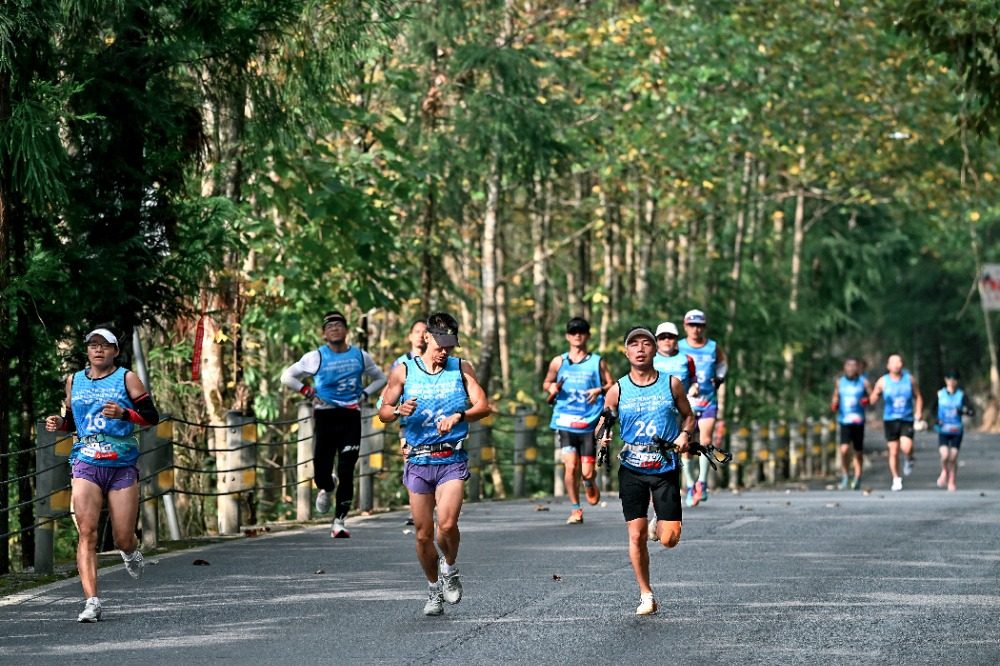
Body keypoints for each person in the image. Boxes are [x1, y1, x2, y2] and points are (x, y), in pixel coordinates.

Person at [378, 312, 491, 617]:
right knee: (423, 534)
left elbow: (483, 406)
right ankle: (433, 589)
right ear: (426, 337)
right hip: (418, 459)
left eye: (450, 346)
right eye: (441, 346)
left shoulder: (461, 368)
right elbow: (383, 411)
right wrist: (398, 410)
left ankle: (450, 568)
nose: (445, 352)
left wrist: (460, 416)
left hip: (450, 458)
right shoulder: (404, 370)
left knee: (448, 524)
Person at [44, 327, 160, 623]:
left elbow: (151, 418)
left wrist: (125, 414)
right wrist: (59, 423)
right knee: (87, 532)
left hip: (121, 464)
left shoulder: (127, 378)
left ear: (115, 351)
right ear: (87, 350)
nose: (98, 350)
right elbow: (72, 422)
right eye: (93, 345)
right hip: (85, 462)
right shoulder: (74, 380)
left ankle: (130, 552)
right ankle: (92, 601)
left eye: (105, 345)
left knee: (123, 537)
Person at [594, 325, 696, 616]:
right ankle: (646, 594)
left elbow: (689, 416)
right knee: (636, 535)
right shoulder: (617, 389)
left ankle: (659, 522)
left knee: (669, 539)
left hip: (664, 466)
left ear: (654, 350)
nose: (640, 349)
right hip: (632, 467)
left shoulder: (672, 384)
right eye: (633, 344)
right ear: (626, 352)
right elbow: (602, 423)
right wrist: (603, 436)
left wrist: (684, 435)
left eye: (646, 343)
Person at [281, 310, 386, 537]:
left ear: (346, 330)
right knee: (321, 471)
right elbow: (287, 377)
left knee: (347, 469)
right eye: (329, 326)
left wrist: (365, 394)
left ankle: (339, 521)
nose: (335, 328)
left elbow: (381, 378)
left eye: (339, 325)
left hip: (350, 417)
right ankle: (327, 486)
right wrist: (307, 391)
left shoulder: (360, 356)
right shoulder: (315, 357)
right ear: (324, 334)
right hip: (325, 417)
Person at [541, 317, 615, 524]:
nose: (577, 335)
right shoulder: (559, 361)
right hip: (565, 421)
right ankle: (575, 509)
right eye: (573, 332)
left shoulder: (597, 362)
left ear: (588, 336)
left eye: (581, 332)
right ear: (567, 336)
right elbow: (547, 382)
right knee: (570, 466)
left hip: (588, 422)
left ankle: (589, 482)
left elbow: (612, 385)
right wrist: (551, 387)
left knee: (586, 472)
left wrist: (599, 390)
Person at [677, 309, 727, 507]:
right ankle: (690, 485)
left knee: (705, 440)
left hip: (707, 400)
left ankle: (702, 483)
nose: (695, 329)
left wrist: (719, 378)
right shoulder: (678, 347)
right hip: (685, 403)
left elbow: (722, 363)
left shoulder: (712, 347)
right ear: (685, 326)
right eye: (692, 325)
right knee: (686, 446)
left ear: (704, 327)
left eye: (699, 325)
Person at [869, 354, 925, 491]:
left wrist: (918, 412)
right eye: (893, 362)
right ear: (888, 366)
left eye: (899, 362)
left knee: (906, 447)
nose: (896, 365)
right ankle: (896, 478)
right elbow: (873, 398)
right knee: (893, 451)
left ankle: (909, 458)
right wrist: (874, 396)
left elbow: (918, 397)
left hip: (906, 418)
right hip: (890, 419)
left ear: (902, 364)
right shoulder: (883, 381)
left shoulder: (909, 379)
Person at [390, 319, 427, 526]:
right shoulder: (400, 362)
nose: (421, 335)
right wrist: (393, 409)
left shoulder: (438, 359)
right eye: (417, 331)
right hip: (409, 423)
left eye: (424, 331)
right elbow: (392, 391)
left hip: (434, 423)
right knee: (411, 464)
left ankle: (430, 506)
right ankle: (416, 511)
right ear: (410, 336)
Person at [830, 358, 872, 490]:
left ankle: (858, 477)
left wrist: (867, 400)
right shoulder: (840, 382)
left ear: (857, 368)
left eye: (853, 366)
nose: (851, 368)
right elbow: (836, 396)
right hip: (844, 420)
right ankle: (845, 476)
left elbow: (872, 397)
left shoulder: (863, 382)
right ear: (844, 368)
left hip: (858, 421)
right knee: (844, 450)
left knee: (858, 452)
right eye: (848, 366)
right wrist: (834, 403)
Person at [935, 370, 974, 492]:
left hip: (956, 430)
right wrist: (937, 420)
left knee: (953, 457)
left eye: (954, 379)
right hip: (943, 430)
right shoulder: (940, 394)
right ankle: (944, 471)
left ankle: (952, 481)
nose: (951, 382)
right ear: (945, 380)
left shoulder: (961, 395)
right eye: (949, 379)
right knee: (945, 455)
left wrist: (962, 411)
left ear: (957, 381)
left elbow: (971, 411)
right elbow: (932, 409)